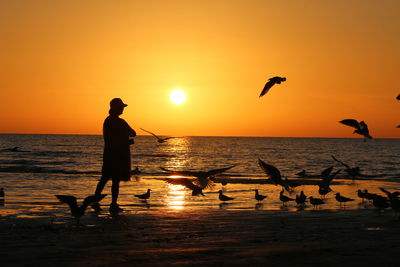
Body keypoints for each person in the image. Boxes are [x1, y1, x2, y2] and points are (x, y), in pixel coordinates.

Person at [92, 98, 136, 213]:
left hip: (109, 154)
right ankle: (113, 204)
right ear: (117, 108)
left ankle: (94, 202)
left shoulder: (107, 121)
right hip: (118, 156)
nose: (123, 109)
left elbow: (111, 139)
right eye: (121, 107)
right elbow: (133, 133)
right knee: (115, 181)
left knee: (104, 179)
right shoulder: (120, 122)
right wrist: (127, 142)